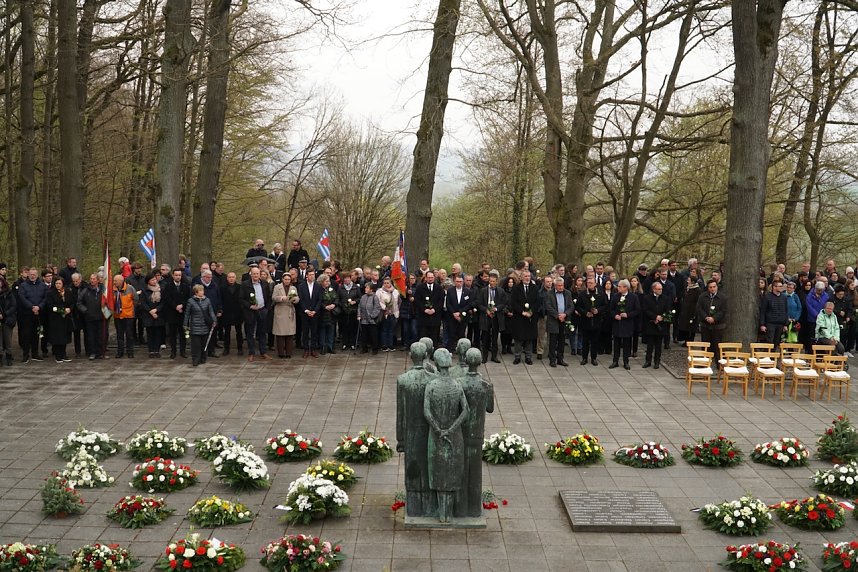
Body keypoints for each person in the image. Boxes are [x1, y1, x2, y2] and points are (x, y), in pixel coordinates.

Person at [240, 266, 273, 361]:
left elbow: (269, 297)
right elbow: (241, 299)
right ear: (251, 274)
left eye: (257, 273)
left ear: (259, 274)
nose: (255, 275)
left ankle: (263, 352)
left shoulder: (265, 283)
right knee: (250, 333)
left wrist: (267, 309)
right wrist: (250, 306)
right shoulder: (245, 284)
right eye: (254, 273)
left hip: (262, 310)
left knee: (262, 332)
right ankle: (251, 353)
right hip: (250, 311)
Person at [509, 269, 539, 365]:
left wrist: (531, 312)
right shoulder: (516, 288)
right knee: (518, 338)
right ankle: (517, 356)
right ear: (521, 277)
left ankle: (528, 357)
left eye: (528, 276)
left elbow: (537, 302)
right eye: (525, 276)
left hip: (530, 317)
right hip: (519, 317)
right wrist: (522, 312)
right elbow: (513, 302)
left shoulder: (535, 288)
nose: (527, 278)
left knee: (529, 338)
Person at [608, 279, 639, 370]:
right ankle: (615, 361)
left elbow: (637, 310)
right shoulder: (615, 296)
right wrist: (615, 315)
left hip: (627, 324)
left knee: (627, 344)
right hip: (617, 324)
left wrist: (628, 315)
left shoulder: (633, 297)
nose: (618, 288)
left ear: (625, 287)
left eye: (619, 286)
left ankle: (626, 362)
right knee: (616, 343)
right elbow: (611, 309)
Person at [576, 276, 607, 366]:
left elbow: (605, 306)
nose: (589, 284)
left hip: (597, 321)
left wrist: (598, 310)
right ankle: (584, 358)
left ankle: (594, 358)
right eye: (588, 283)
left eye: (591, 283)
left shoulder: (600, 294)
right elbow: (578, 306)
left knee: (595, 341)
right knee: (585, 341)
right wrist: (585, 313)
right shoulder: (582, 294)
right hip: (585, 321)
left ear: (595, 284)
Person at [640, 281, 672, 369]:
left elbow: (668, 310)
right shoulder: (647, 298)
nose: (660, 290)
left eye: (661, 289)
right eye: (658, 289)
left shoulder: (666, 298)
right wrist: (655, 317)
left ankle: (657, 362)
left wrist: (661, 317)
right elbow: (645, 310)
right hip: (651, 323)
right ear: (654, 289)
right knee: (650, 345)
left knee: (658, 345)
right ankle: (648, 361)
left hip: (661, 325)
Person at [17, 267, 46, 363]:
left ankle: (35, 353)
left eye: (34, 274)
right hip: (27, 314)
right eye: (31, 274)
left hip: (39, 314)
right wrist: (32, 307)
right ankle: (25, 355)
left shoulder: (42, 285)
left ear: (37, 275)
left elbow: (45, 298)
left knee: (36, 334)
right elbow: (22, 298)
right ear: (28, 275)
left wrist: (39, 307)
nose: (32, 276)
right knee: (26, 335)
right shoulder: (23, 285)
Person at [184, 284, 217, 367]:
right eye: (200, 290)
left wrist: (214, 320)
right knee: (196, 345)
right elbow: (187, 314)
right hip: (195, 325)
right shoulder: (190, 301)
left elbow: (211, 311)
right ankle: (195, 359)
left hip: (205, 325)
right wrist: (185, 324)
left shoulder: (207, 300)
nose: (202, 292)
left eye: (203, 290)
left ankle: (203, 358)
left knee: (204, 343)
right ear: (196, 292)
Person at [477, 272, 506, 364]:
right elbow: (479, 304)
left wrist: (496, 309)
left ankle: (494, 356)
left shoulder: (501, 291)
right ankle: (484, 356)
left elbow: (503, 303)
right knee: (485, 337)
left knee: (495, 337)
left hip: (496, 317)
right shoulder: (483, 291)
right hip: (486, 317)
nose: (492, 283)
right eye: (490, 281)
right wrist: (486, 310)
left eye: (494, 281)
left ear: (496, 282)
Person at [696, 279, 728, 363]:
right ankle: (705, 362)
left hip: (718, 325)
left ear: (717, 287)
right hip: (705, 325)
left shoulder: (723, 297)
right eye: (710, 287)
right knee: (705, 344)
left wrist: (714, 318)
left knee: (717, 344)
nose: (712, 289)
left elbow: (723, 310)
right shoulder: (703, 296)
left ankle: (718, 363)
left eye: (714, 287)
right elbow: (699, 308)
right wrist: (706, 317)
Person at [162, 268, 191, 359]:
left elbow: (188, 298)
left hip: (183, 314)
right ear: (173, 276)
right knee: (172, 334)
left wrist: (182, 305)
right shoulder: (168, 286)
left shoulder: (186, 286)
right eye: (176, 275)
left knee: (184, 333)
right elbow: (167, 298)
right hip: (172, 314)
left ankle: (183, 351)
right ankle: (173, 351)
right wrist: (175, 306)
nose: (178, 277)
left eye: (179, 275)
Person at [544, 277, 573, 368]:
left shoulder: (568, 293)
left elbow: (571, 306)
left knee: (562, 341)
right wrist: (557, 315)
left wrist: (565, 314)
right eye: (559, 286)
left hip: (564, 320)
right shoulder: (549, 294)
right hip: (554, 320)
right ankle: (552, 360)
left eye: (562, 285)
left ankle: (560, 359)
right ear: (555, 286)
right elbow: (548, 307)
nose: (561, 287)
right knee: (553, 341)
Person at [76, 273, 105, 360]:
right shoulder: (85, 290)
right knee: (90, 336)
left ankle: (100, 352)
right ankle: (92, 352)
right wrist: (85, 311)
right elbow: (79, 303)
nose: (92, 280)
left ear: (97, 280)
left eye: (94, 279)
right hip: (89, 317)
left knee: (100, 335)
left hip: (100, 316)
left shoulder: (103, 290)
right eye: (91, 279)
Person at [45, 277, 74, 363]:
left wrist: (70, 309)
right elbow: (50, 306)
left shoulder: (68, 292)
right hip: (55, 318)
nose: (58, 285)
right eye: (56, 283)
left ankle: (64, 354)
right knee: (57, 337)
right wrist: (61, 311)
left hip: (66, 318)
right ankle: (58, 355)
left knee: (65, 336)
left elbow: (72, 302)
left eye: (60, 283)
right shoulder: (50, 293)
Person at [297, 267, 322, 357]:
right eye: (310, 275)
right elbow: (301, 299)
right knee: (305, 332)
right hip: (305, 313)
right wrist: (306, 310)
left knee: (314, 332)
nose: (312, 277)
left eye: (313, 275)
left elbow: (319, 300)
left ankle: (313, 349)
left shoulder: (318, 286)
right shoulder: (301, 286)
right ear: (306, 276)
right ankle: (306, 349)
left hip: (315, 313)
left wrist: (315, 310)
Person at [415, 271, 445, 346]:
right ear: (426, 278)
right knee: (423, 338)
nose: (430, 279)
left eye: (432, 277)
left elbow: (441, 301)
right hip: (423, 318)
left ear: (434, 278)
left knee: (434, 339)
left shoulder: (439, 288)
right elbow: (417, 301)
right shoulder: (420, 288)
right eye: (429, 277)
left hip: (435, 318)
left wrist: (434, 309)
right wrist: (425, 310)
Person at [272, 273, 298, 358]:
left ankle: (288, 353)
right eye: (285, 279)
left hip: (289, 310)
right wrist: (281, 298)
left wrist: (294, 299)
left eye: (288, 279)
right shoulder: (277, 287)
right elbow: (273, 297)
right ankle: (281, 353)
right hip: (280, 310)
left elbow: (297, 298)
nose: (287, 281)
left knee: (290, 334)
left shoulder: (293, 288)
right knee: (280, 333)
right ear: (283, 279)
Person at [138, 273, 164, 358]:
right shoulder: (144, 290)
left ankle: (157, 350)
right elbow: (143, 303)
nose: (154, 281)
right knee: (150, 333)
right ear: (148, 282)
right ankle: (151, 350)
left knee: (158, 333)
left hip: (158, 314)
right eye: (152, 280)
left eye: (155, 279)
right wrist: (150, 311)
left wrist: (156, 310)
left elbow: (163, 302)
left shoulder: (160, 289)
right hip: (148, 314)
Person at [444, 275, 472, 351]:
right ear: (454, 282)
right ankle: (449, 351)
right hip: (452, 316)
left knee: (461, 334)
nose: (459, 283)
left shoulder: (467, 292)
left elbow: (468, 304)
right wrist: (454, 313)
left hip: (462, 316)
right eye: (457, 281)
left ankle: (462, 351)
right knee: (451, 334)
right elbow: (448, 303)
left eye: (460, 282)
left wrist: (460, 312)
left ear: (463, 282)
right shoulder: (450, 291)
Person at [112, 274, 137, 358]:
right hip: (117, 316)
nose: (114, 282)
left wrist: (131, 309)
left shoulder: (130, 288)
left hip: (128, 316)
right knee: (119, 335)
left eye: (116, 281)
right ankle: (120, 352)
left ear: (121, 281)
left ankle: (130, 351)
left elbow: (136, 299)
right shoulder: (112, 289)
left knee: (129, 335)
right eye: (114, 280)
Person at [759, 279, 788, 348]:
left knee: (776, 342)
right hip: (770, 323)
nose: (781, 288)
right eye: (779, 286)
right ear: (774, 287)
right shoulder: (767, 297)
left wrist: (785, 324)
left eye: (782, 286)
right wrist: (762, 324)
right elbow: (763, 311)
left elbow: (786, 311)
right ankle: (768, 356)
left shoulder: (784, 297)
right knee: (770, 341)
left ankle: (774, 356)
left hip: (780, 323)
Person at [220, 272, 244, 356]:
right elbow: (221, 299)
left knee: (239, 332)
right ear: (227, 278)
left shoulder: (240, 287)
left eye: (233, 277)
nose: (231, 278)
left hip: (238, 312)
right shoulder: (222, 288)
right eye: (229, 277)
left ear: (235, 278)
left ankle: (240, 348)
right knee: (227, 332)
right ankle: (226, 349)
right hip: (227, 312)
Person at [337, 272, 360, 350]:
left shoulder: (356, 287)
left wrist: (355, 301)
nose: (346, 280)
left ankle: (352, 343)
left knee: (353, 327)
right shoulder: (340, 288)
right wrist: (342, 304)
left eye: (348, 278)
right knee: (344, 327)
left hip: (353, 311)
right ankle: (345, 343)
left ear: (350, 278)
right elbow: (338, 299)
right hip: (344, 311)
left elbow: (359, 298)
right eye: (345, 278)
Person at [377, 277, 400, 352]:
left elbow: (398, 302)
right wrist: (385, 308)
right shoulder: (379, 291)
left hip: (393, 313)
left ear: (391, 283)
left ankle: (390, 344)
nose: (386, 284)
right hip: (384, 313)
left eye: (388, 283)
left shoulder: (395, 291)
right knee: (384, 329)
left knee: (391, 329)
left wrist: (394, 309)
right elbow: (378, 301)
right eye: (385, 283)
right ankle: (384, 345)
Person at [317, 273, 338, 354]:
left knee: (331, 330)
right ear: (321, 282)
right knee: (322, 331)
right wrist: (325, 307)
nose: (328, 283)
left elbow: (336, 297)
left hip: (331, 313)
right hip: (323, 313)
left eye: (328, 281)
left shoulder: (331, 289)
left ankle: (330, 347)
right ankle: (323, 347)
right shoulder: (319, 290)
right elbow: (318, 300)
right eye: (326, 281)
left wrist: (334, 304)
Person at [358, 282, 381, 354]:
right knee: (364, 335)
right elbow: (359, 307)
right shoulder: (363, 297)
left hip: (371, 320)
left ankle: (375, 348)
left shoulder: (375, 297)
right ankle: (364, 348)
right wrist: (359, 315)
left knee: (373, 335)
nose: (365, 289)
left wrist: (372, 316)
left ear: (371, 289)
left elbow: (377, 308)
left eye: (367, 288)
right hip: (364, 319)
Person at [0, 271, 16, 366]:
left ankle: (9, 357)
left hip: (7, 319)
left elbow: (13, 306)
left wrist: (5, 314)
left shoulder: (9, 293)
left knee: (7, 340)